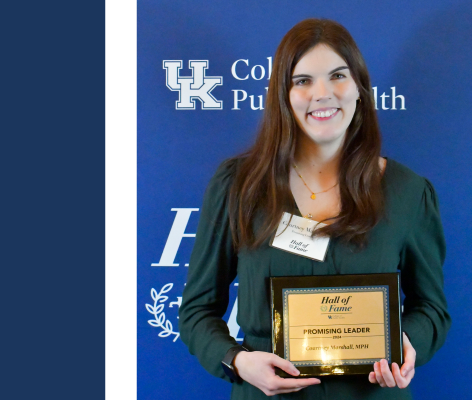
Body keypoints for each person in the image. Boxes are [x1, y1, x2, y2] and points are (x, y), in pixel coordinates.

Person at [178, 18, 450, 400]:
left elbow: (432, 308)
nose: (322, 93)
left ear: (359, 87)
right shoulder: (238, 186)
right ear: (283, 95)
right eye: (302, 80)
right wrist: (237, 361)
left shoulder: (408, 191)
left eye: (337, 75)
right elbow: (196, 312)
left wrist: (407, 343)